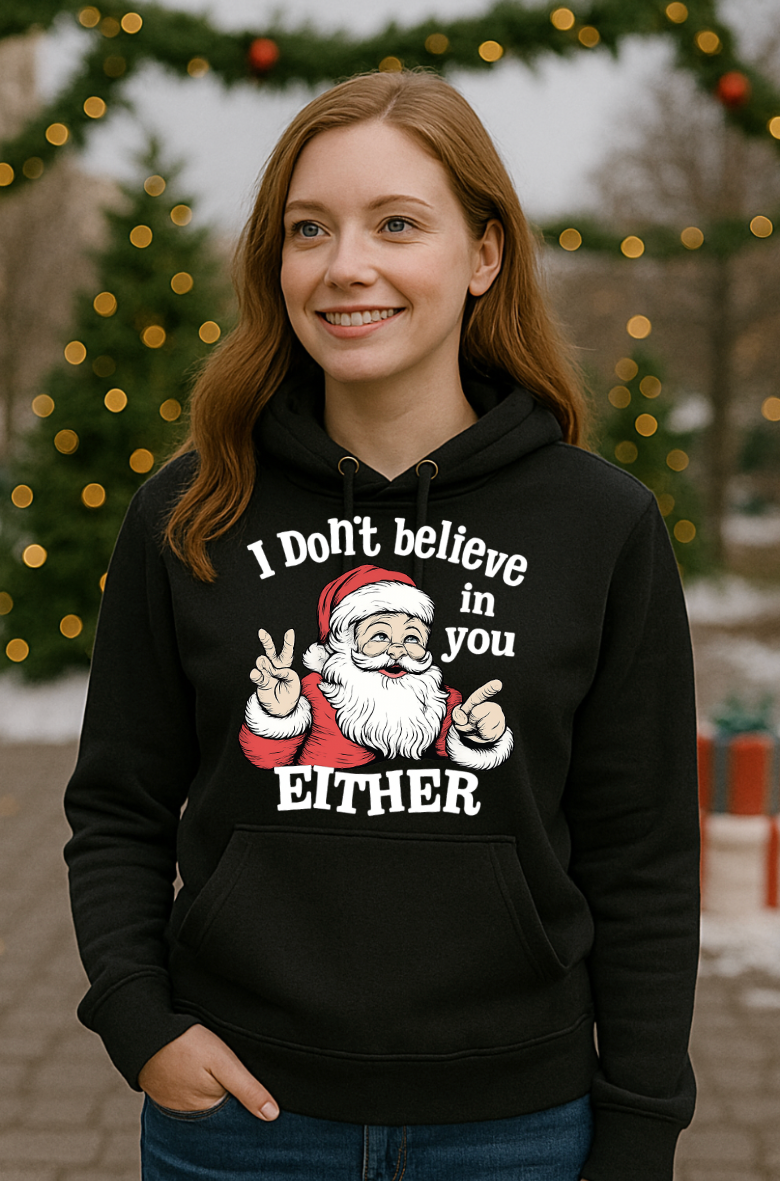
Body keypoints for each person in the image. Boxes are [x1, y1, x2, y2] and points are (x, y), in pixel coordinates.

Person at [64, 69, 700, 1181]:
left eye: (397, 223)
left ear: (484, 254)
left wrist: (642, 1123)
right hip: (241, 1124)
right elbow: (117, 800)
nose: (345, 265)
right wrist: (138, 1018)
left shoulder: (600, 523)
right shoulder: (190, 507)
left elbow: (642, 854)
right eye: (309, 229)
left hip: (518, 1129)